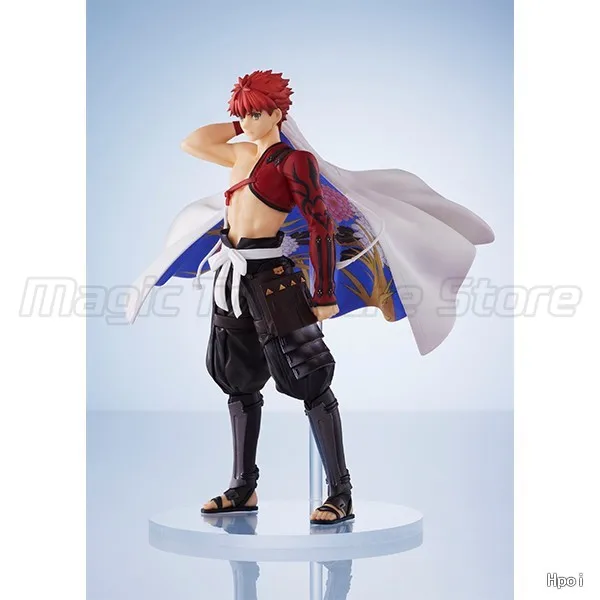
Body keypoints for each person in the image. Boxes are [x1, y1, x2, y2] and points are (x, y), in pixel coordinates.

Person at [125, 69, 494, 526]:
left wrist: (322, 293)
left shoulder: (294, 162)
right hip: (232, 276)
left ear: (278, 113)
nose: (248, 122)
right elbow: (193, 142)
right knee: (237, 378)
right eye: (243, 115)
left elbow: (321, 226)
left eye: (257, 113)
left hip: (274, 278)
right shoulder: (241, 154)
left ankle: (340, 492)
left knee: (309, 378)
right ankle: (243, 487)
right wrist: (245, 121)